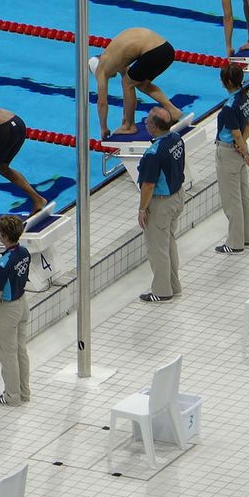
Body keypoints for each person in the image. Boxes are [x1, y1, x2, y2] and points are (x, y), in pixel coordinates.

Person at [90, 27, 182, 140]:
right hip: (167, 49)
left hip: (154, 51)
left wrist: (103, 128)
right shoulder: (113, 58)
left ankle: (129, 126)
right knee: (141, 84)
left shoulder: (101, 70)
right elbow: (129, 84)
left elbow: (102, 104)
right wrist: (124, 117)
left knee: (127, 83)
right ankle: (173, 110)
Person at [137, 107, 186, 303]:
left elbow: (148, 186)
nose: (145, 123)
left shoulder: (153, 153)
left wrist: (142, 209)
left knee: (157, 248)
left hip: (162, 203)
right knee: (168, 242)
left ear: (155, 127)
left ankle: (162, 290)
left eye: (147, 121)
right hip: (177, 196)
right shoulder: (176, 139)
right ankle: (174, 285)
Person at [0, 215, 31, 406]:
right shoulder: (25, 252)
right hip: (22, 304)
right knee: (20, 351)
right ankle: (24, 393)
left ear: (3, 236)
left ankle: (12, 397)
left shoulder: (2, 265)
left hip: (7, 310)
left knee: (8, 355)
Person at [214, 63, 249, 255]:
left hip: (229, 153)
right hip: (238, 151)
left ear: (228, 82)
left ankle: (235, 243)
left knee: (232, 200)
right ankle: (246, 238)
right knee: (243, 195)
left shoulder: (228, 108)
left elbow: (237, 133)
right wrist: (243, 148)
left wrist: (243, 149)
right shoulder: (244, 97)